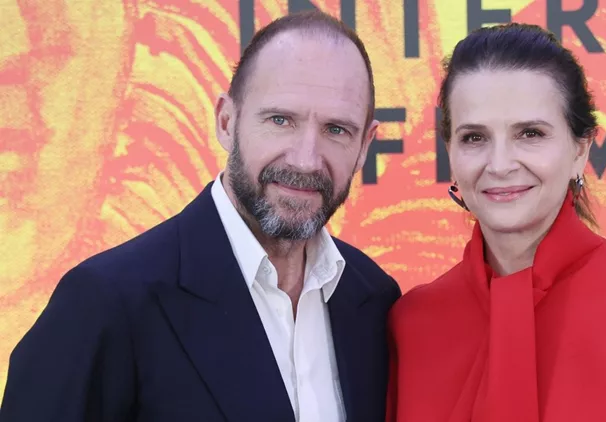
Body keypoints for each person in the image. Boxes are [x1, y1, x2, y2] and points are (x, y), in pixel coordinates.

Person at [0, 10, 401, 422]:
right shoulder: (105, 303)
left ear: (364, 146)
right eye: (280, 120)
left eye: (337, 130)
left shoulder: (375, 300)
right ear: (226, 121)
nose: (305, 159)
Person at [386, 23, 606, 422]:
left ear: (580, 149)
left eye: (530, 133)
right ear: (450, 152)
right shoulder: (413, 324)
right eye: (474, 137)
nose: (501, 164)